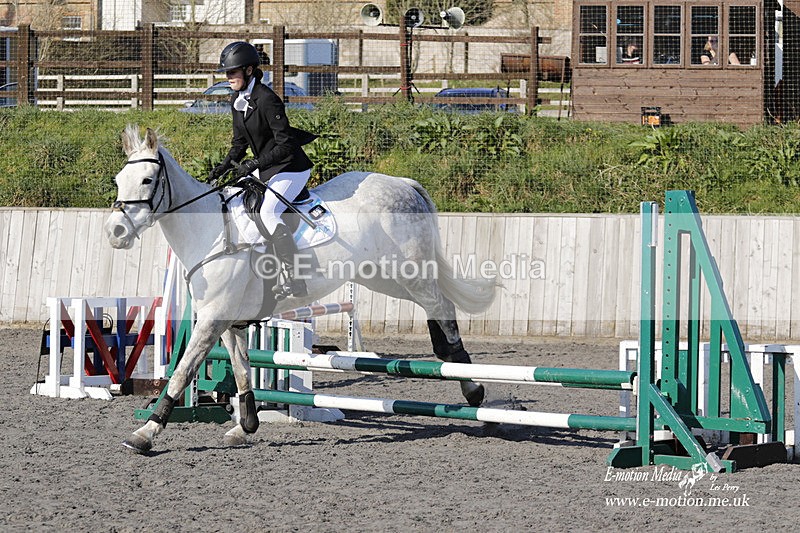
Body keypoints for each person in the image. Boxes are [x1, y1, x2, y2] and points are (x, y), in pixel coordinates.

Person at [208, 41, 317, 299]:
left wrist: (254, 164)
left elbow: (286, 145)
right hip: (268, 167)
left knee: (268, 212)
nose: (228, 77)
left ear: (248, 70)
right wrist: (223, 167)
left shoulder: (267, 99)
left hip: (291, 167)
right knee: (236, 199)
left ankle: (296, 278)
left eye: (232, 72)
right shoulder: (237, 99)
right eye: (226, 73)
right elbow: (239, 143)